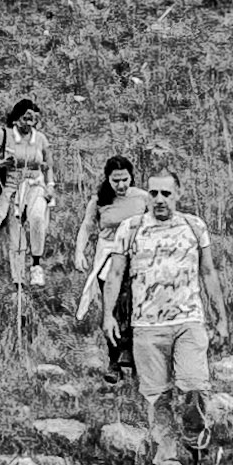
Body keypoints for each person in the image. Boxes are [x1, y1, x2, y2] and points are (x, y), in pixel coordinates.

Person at [98, 169, 229, 465]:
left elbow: (208, 272)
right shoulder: (131, 228)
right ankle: (166, 460)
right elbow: (115, 274)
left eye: (166, 194)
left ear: (178, 195)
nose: (159, 199)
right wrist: (108, 315)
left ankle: (196, 443)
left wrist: (221, 317)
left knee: (195, 386)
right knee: (157, 397)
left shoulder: (194, 226)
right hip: (146, 326)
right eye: (154, 193)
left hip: (188, 321)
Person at [74, 156, 150, 378]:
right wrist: (79, 252)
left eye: (125, 179)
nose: (121, 185)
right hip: (108, 255)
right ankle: (115, 361)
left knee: (134, 305)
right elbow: (87, 226)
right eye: (116, 180)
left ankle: (135, 358)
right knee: (113, 306)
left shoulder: (143, 198)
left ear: (131, 177)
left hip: (136, 255)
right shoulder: (99, 201)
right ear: (108, 179)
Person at [0, 98, 55, 288]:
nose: (29, 123)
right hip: (13, 187)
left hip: (36, 185)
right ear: (16, 118)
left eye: (33, 119)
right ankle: (18, 279)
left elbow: (49, 165)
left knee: (37, 218)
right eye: (26, 118)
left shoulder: (40, 139)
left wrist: (50, 185)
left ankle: (36, 265)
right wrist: (2, 163)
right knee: (16, 232)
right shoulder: (4, 135)